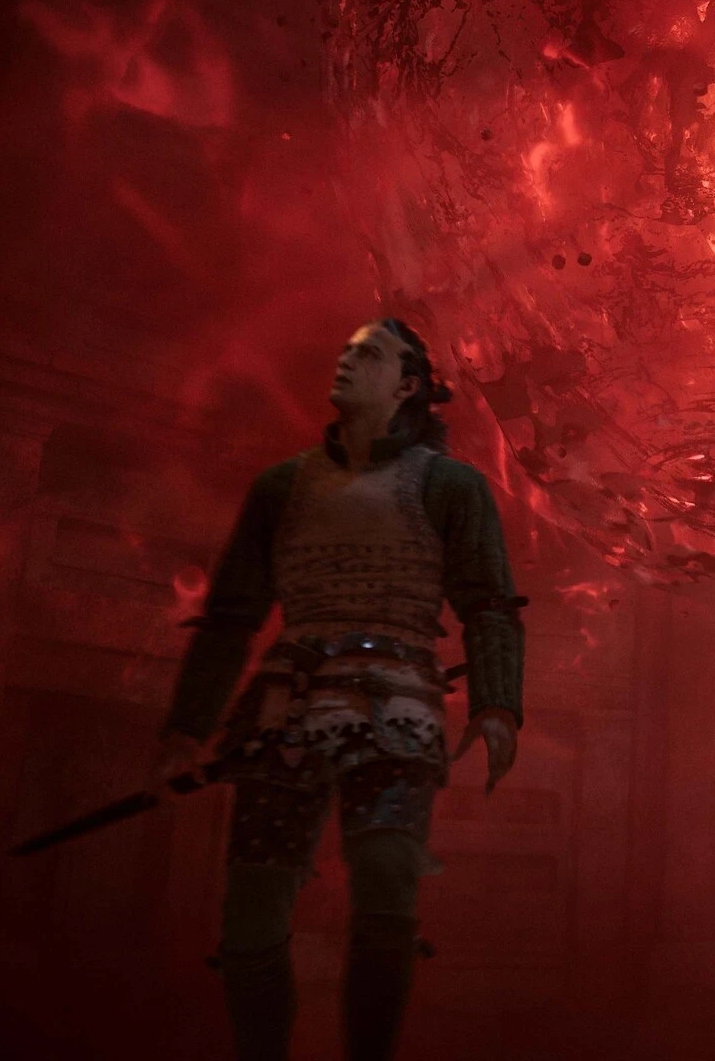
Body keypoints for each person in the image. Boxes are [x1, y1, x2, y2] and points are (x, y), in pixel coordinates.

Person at [149, 318, 525, 1061]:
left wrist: (496, 704)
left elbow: (487, 602)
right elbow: (231, 618)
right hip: (284, 707)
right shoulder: (281, 487)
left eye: (369, 354)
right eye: (347, 350)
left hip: (398, 707)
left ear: (408, 385)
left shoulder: (451, 488)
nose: (348, 361)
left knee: (386, 888)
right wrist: (186, 729)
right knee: (252, 915)